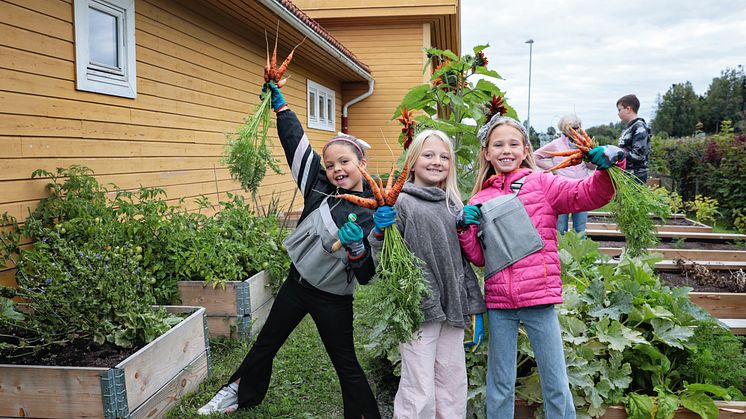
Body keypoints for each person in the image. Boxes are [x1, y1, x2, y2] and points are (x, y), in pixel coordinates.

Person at [197, 82, 382, 418]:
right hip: (295, 287)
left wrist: (358, 246)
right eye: (330, 164)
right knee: (265, 345)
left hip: (333, 299)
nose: (337, 169)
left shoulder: (376, 210)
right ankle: (235, 394)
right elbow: (296, 144)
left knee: (346, 364)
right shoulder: (317, 185)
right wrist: (281, 107)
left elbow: (368, 274)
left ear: (362, 162)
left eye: (345, 162)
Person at [458, 114, 625, 418]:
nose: (506, 150)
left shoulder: (542, 183)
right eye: (498, 145)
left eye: (513, 144)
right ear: (487, 152)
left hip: (539, 298)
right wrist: (464, 229)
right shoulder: (479, 198)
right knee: (500, 382)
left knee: (555, 381)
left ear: (525, 150)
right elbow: (480, 257)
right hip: (499, 303)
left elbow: (586, 194)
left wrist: (606, 170)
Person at [367, 130, 487, 418]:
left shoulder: (453, 205)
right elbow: (384, 258)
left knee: (452, 380)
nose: (437, 161)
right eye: (429, 155)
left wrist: (475, 306)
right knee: (418, 384)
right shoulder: (401, 203)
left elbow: (462, 264)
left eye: (444, 157)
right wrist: (381, 231)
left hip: (453, 307)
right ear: (412, 161)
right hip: (417, 307)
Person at [534, 114, 596, 237]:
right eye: (572, 127)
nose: (576, 130)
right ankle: (561, 255)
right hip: (562, 189)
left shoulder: (585, 145)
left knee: (580, 230)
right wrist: (553, 169)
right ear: (564, 128)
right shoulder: (556, 144)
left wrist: (592, 159)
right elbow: (535, 156)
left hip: (581, 189)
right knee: (560, 229)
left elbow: (592, 166)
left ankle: (579, 255)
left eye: (577, 127)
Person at [616, 94, 651, 183]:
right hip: (626, 174)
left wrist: (617, 152)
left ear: (628, 109)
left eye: (620, 110)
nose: (618, 113)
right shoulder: (628, 128)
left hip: (635, 176)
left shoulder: (639, 127)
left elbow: (638, 155)